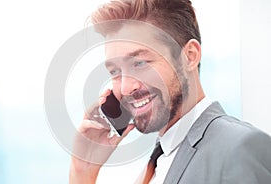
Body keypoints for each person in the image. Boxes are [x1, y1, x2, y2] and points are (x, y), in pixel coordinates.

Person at [69, 0, 271, 183]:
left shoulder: (239, 149)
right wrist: (83, 170)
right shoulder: (157, 164)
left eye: (139, 63)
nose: (125, 88)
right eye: (115, 71)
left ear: (190, 56)